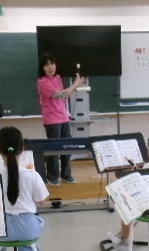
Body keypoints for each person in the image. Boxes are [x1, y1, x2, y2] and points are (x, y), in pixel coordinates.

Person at [0, 126, 49, 251]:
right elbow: (42, 201)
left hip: (2, 229)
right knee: (35, 226)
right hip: (27, 228)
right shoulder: (32, 175)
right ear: (22, 149)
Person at [107, 131, 149, 246]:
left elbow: (136, 189)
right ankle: (123, 234)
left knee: (124, 200)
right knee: (136, 202)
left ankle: (124, 238)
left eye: (148, 149)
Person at [37, 52, 86, 186]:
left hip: (64, 117)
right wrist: (75, 85)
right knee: (54, 149)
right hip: (52, 119)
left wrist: (74, 87)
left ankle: (66, 174)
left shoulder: (57, 78)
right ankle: (52, 176)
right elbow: (59, 95)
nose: (51, 67)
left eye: (52, 63)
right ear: (42, 68)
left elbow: (65, 96)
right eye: (47, 65)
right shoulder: (42, 82)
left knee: (67, 147)